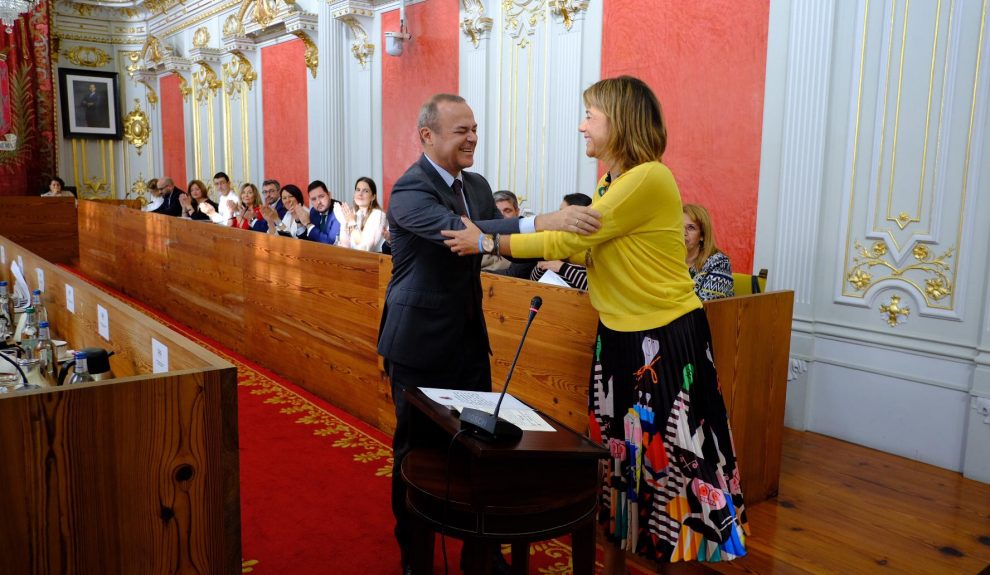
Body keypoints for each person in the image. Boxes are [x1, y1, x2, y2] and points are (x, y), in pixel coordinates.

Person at [441, 76, 747, 573]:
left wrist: (488, 242)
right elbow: (580, 244)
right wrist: (520, 234)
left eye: (591, 116)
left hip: (664, 337)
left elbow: (568, 242)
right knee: (618, 456)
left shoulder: (649, 178)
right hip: (620, 336)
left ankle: (668, 560)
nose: (582, 126)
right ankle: (614, 559)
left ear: (619, 122)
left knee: (668, 463)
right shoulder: (612, 181)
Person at [379, 93, 601, 575]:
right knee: (415, 452)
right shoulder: (408, 190)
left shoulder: (476, 184)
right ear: (427, 136)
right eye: (461, 130)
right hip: (417, 343)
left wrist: (567, 249)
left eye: (474, 128)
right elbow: (471, 233)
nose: (472, 137)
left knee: (479, 446)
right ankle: (414, 554)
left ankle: (480, 553)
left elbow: (498, 239)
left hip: (467, 339)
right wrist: (544, 220)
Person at [529, 193, 592, 290]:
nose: (559, 217)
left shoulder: (592, 252)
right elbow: (533, 282)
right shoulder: (556, 247)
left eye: (563, 213)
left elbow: (595, 289)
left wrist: (562, 268)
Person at [683, 204, 734, 301]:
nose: (683, 233)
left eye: (690, 228)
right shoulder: (670, 260)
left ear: (702, 235)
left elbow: (702, 308)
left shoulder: (719, 263)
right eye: (679, 227)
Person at [336, 177, 387, 252]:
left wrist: (351, 222)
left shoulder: (378, 215)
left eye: (365, 191)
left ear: (373, 197)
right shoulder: (355, 214)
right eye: (358, 190)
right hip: (353, 260)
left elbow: (365, 248)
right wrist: (343, 223)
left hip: (373, 261)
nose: (360, 194)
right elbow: (345, 246)